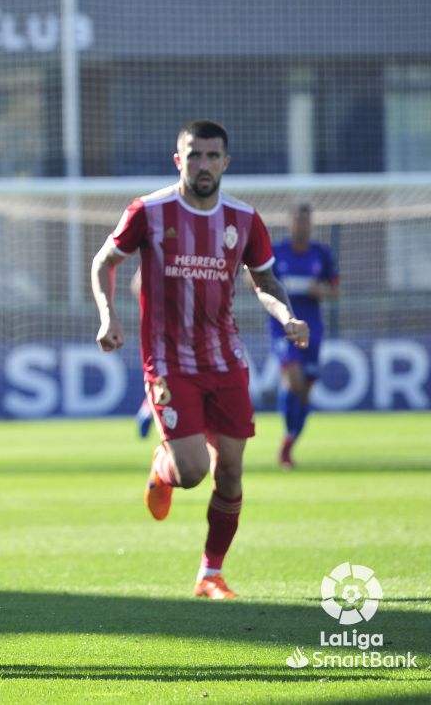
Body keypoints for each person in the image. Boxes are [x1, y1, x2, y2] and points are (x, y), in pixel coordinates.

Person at [91, 120, 309, 600]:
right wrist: (108, 316)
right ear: (178, 160)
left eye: (213, 156)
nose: (204, 165)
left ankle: (210, 573)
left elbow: (266, 284)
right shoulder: (148, 211)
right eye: (195, 156)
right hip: (168, 361)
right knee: (192, 473)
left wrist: (287, 316)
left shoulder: (244, 219)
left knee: (229, 471)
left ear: (226, 162)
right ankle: (163, 465)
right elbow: (104, 262)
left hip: (225, 358)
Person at [270, 203, 339, 468]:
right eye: (298, 220)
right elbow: (252, 279)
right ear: (289, 223)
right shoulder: (277, 253)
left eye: (306, 221)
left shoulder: (321, 254)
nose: (302, 225)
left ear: (311, 224)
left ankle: (289, 442)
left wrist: (321, 290)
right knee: (294, 382)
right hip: (283, 327)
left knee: (306, 392)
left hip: (313, 328)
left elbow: (336, 289)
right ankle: (288, 441)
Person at [130, 268, 154, 439]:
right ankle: (149, 407)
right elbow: (137, 285)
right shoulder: (159, 250)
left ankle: (148, 408)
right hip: (163, 332)